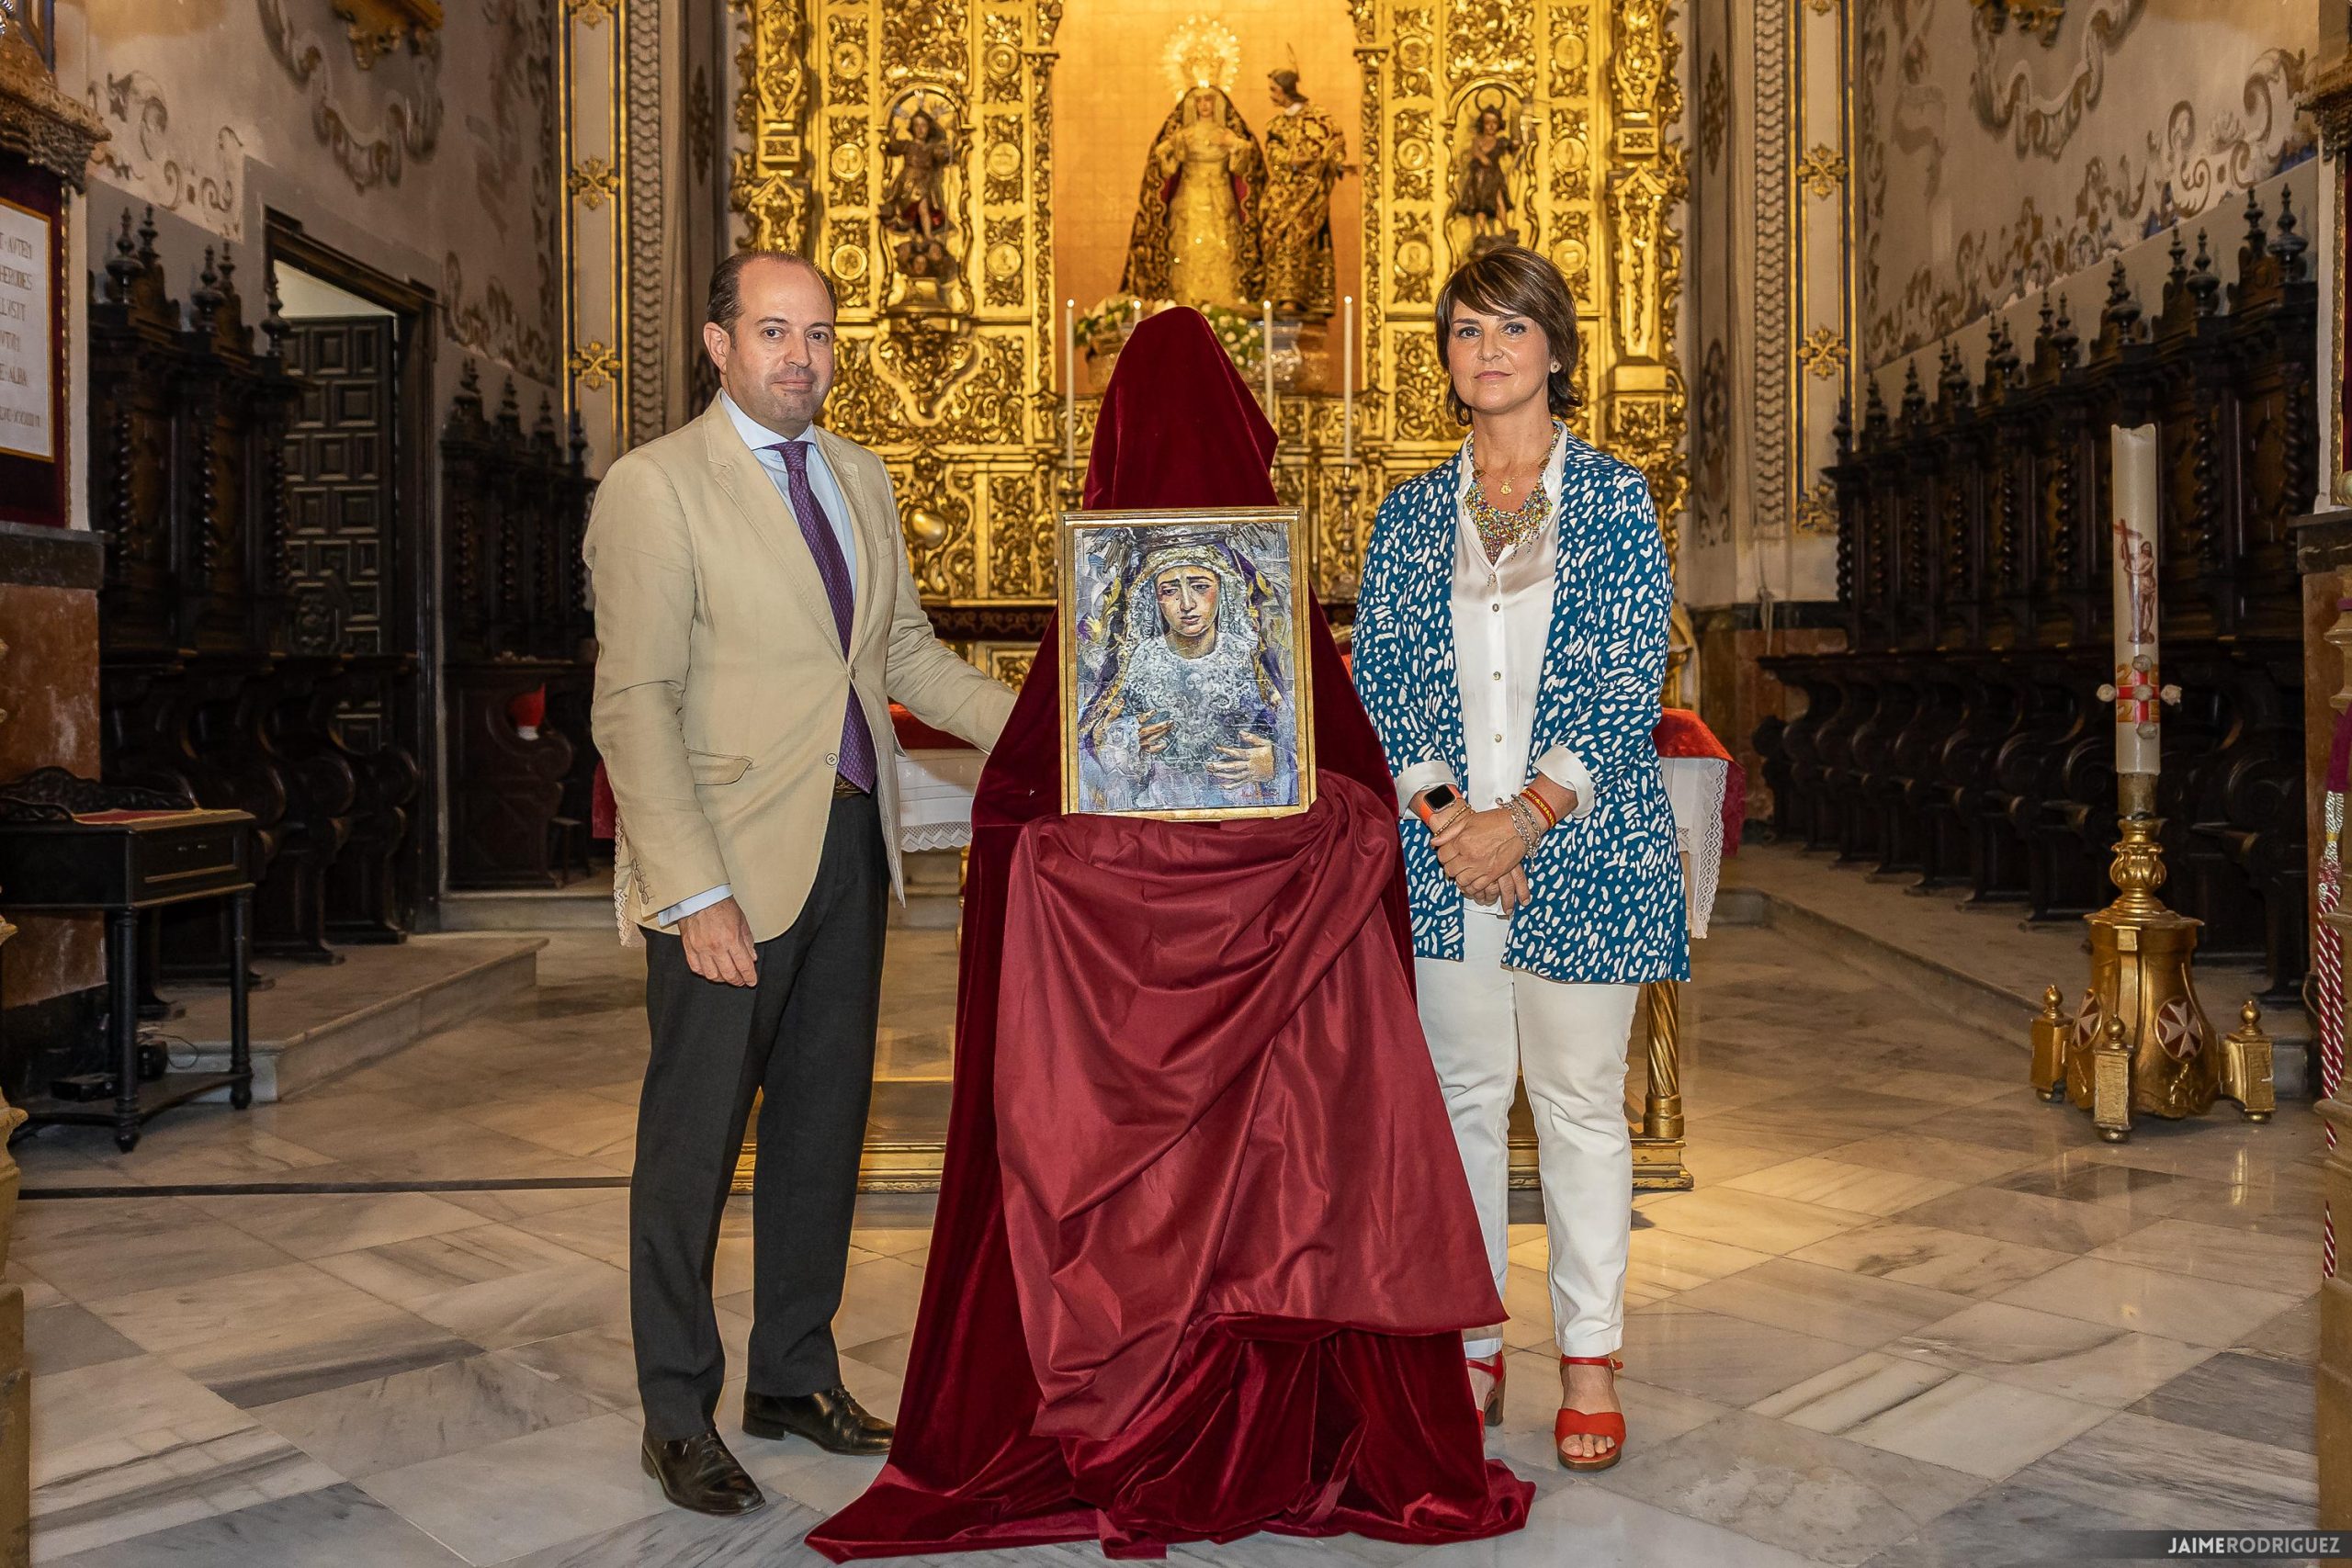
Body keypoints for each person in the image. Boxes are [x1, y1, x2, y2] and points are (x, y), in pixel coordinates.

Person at [808, 307, 1532, 1560]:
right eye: (1174, 585)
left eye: (1205, 582)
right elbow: (1354, 797)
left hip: (1117, 1022)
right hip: (1277, 1023)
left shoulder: (1137, 627)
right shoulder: (1228, 616)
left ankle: (1110, 1387)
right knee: (1284, 1181)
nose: (1190, 594)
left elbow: (1023, 814)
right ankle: (1292, 1414)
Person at [584, 250, 1016, 1516]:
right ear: (718, 343)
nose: (800, 357)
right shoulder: (657, 486)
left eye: (819, 333)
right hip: (722, 861)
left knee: (824, 1129)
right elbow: (634, 704)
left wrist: (1064, 731)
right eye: (773, 332)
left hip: (846, 845)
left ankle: (792, 1373)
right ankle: (677, 1413)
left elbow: (904, 657)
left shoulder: (857, 477)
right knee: (692, 1146)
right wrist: (691, 891)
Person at [1351, 243, 1690, 1472]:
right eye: (1464, 330)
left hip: (1585, 847)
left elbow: (1623, 677)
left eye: (1509, 327)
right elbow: (1385, 675)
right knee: (1459, 1099)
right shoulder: (1408, 513)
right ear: (1445, 358)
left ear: (1555, 346)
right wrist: (1456, 822)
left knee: (1579, 1102)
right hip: (1448, 858)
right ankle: (1471, 1336)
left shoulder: (1614, 499)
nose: (1486, 350)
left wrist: (1524, 819)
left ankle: (1589, 1354)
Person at [1073, 536, 1294, 811]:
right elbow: (1089, 748)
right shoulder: (1138, 661)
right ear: (1152, 597)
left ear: (1224, 588)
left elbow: (1292, 737)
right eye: (1169, 591)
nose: (1187, 604)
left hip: (1242, 808)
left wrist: (1275, 763)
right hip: (1158, 808)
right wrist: (1123, 746)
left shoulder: (1248, 657)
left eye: (1200, 587)